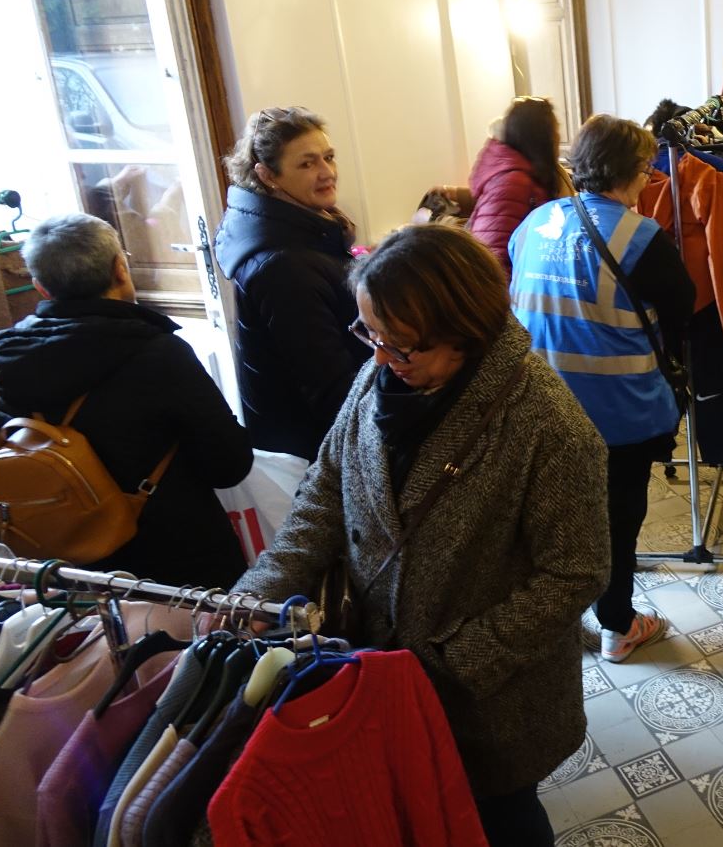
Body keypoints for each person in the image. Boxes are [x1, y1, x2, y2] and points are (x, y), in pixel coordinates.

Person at [227, 222, 609, 846]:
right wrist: (265, 586)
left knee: (499, 823)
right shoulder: (378, 380)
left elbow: (574, 575)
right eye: (369, 334)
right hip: (374, 668)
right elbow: (325, 490)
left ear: (467, 331)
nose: (380, 357)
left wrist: (448, 662)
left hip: (487, 703)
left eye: (402, 346)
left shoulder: (547, 424)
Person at [509, 114, 696, 663]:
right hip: (618, 411)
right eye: (646, 170)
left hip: (540, 404)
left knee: (551, 518)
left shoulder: (536, 221)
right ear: (633, 171)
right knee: (617, 516)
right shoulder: (640, 236)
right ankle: (617, 624)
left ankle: (555, 624)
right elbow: (683, 308)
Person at [0, 213, 252, 588]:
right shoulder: (159, 354)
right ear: (120, 269)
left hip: (71, 568)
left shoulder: (11, 360)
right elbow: (230, 464)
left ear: (41, 287)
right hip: (180, 561)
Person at [214, 106, 371, 461]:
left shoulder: (304, 233)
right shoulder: (282, 265)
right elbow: (330, 389)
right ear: (268, 175)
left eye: (328, 158)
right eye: (307, 164)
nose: (327, 173)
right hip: (312, 452)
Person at [433, 97, 573, 277]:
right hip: (512, 292)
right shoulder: (514, 181)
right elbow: (493, 254)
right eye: (554, 130)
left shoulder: (530, 173)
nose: (559, 136)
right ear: (540, 136)